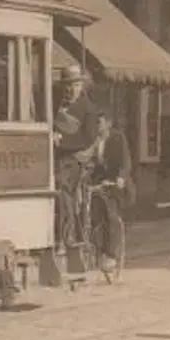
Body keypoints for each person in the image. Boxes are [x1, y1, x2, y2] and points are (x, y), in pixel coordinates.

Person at [52, 62, 103, 248]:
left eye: (75, 85)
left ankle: (67, 235)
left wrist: (62, 141)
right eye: (67, 85)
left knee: (62, 186)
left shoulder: (88, 109)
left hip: (79, 159)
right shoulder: (57, 106)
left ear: (81, 86)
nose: (71, 89)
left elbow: (89, 139)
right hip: (58, 157)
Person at [89, 112, 132, 273]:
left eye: (99, 123)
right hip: (100, 183)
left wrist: (121, 177)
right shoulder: (96, 139)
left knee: (111, 217)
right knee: (93, 216)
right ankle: (95, 249)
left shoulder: (117, 137)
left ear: (108, 123)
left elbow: (126, 161)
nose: (97, 126)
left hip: (116, 185)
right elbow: (92, 163)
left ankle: (112, 255)